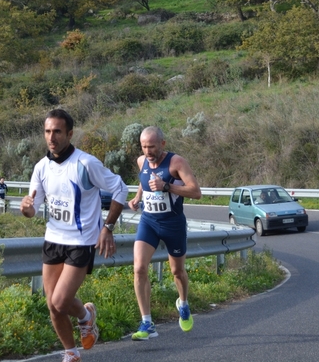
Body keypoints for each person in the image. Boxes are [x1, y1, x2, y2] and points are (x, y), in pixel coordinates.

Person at [21, 109, 128, 362]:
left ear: (69, 133)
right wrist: (26, 209)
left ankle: (85, 317)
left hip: (81, 242)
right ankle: (71, 351)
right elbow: (33, 209)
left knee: (59, 302)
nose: (52, 137)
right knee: (53, 306)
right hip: (53, 240)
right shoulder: (41, 167)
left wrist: (108, 228)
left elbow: (120, 188)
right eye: (47, 131)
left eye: (57, 131)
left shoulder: (85, 163)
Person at [128, 126, 202, 341]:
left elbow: (196, 192)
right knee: (139, 268)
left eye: (151, 146)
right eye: (143, 146)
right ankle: (147, 322)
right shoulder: (141, 161)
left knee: (177, 272)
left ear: (162, 144)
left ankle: (184, 303)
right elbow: (144, 183)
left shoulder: (176, 162)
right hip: (149, 222)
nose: (147, 151)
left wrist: (167, 186)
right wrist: (137, 198)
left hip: (173, 224)